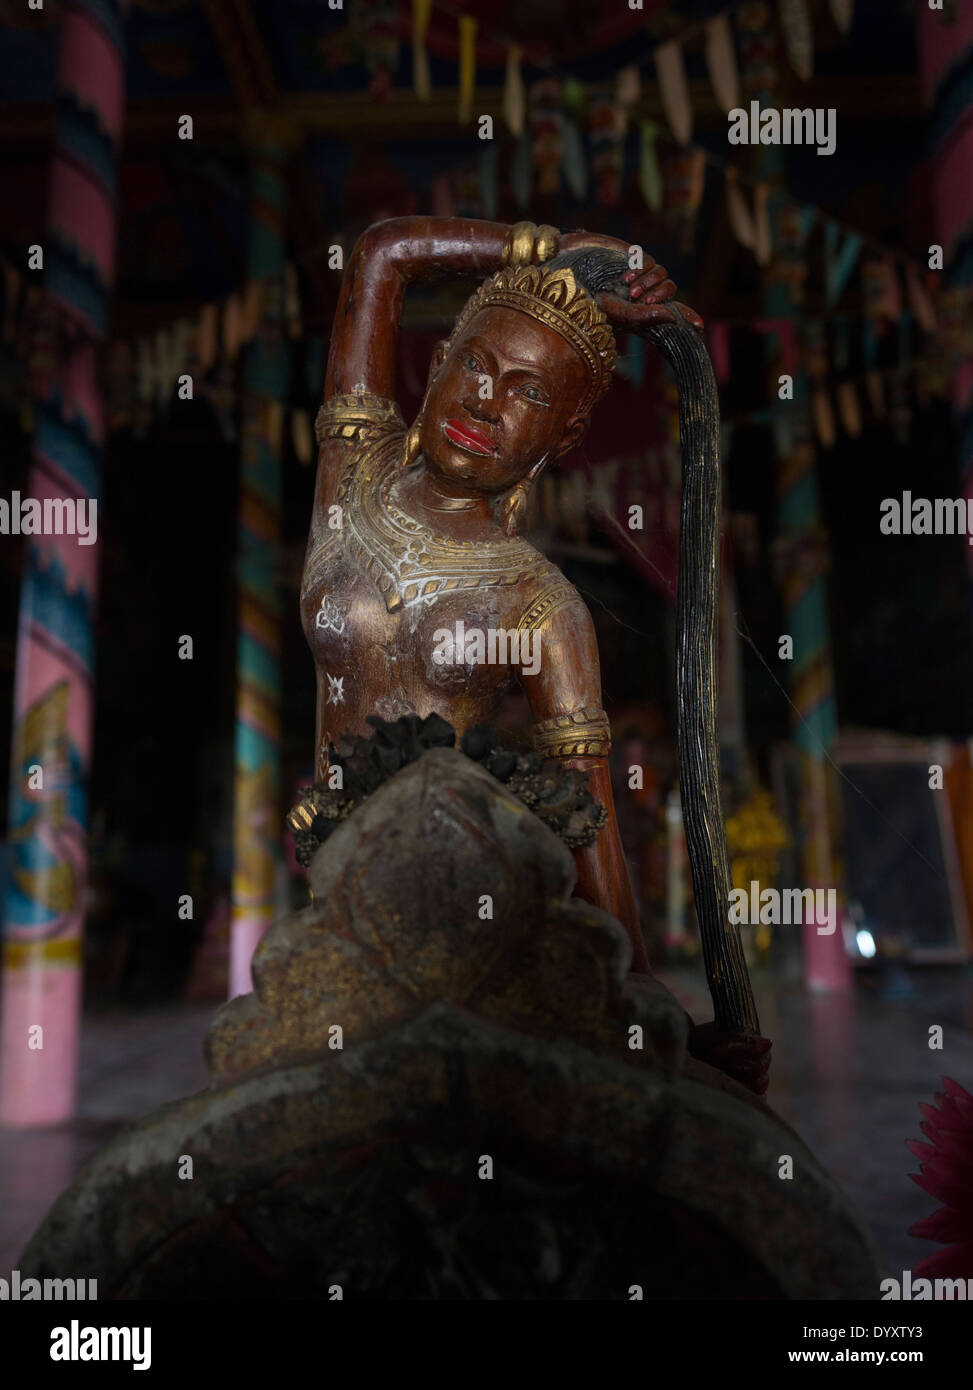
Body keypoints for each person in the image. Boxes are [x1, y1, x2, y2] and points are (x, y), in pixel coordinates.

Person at [302, 217, 770, 1094]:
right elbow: (378, 254)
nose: (485, 401)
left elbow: (586, 813)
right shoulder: (349, 478)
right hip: (330, 898)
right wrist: (563, 248)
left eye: (526, 392)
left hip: (452, 907)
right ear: (437, 362)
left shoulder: (537, 600)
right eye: (475, 365)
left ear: (560, 439)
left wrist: (644, 1004)